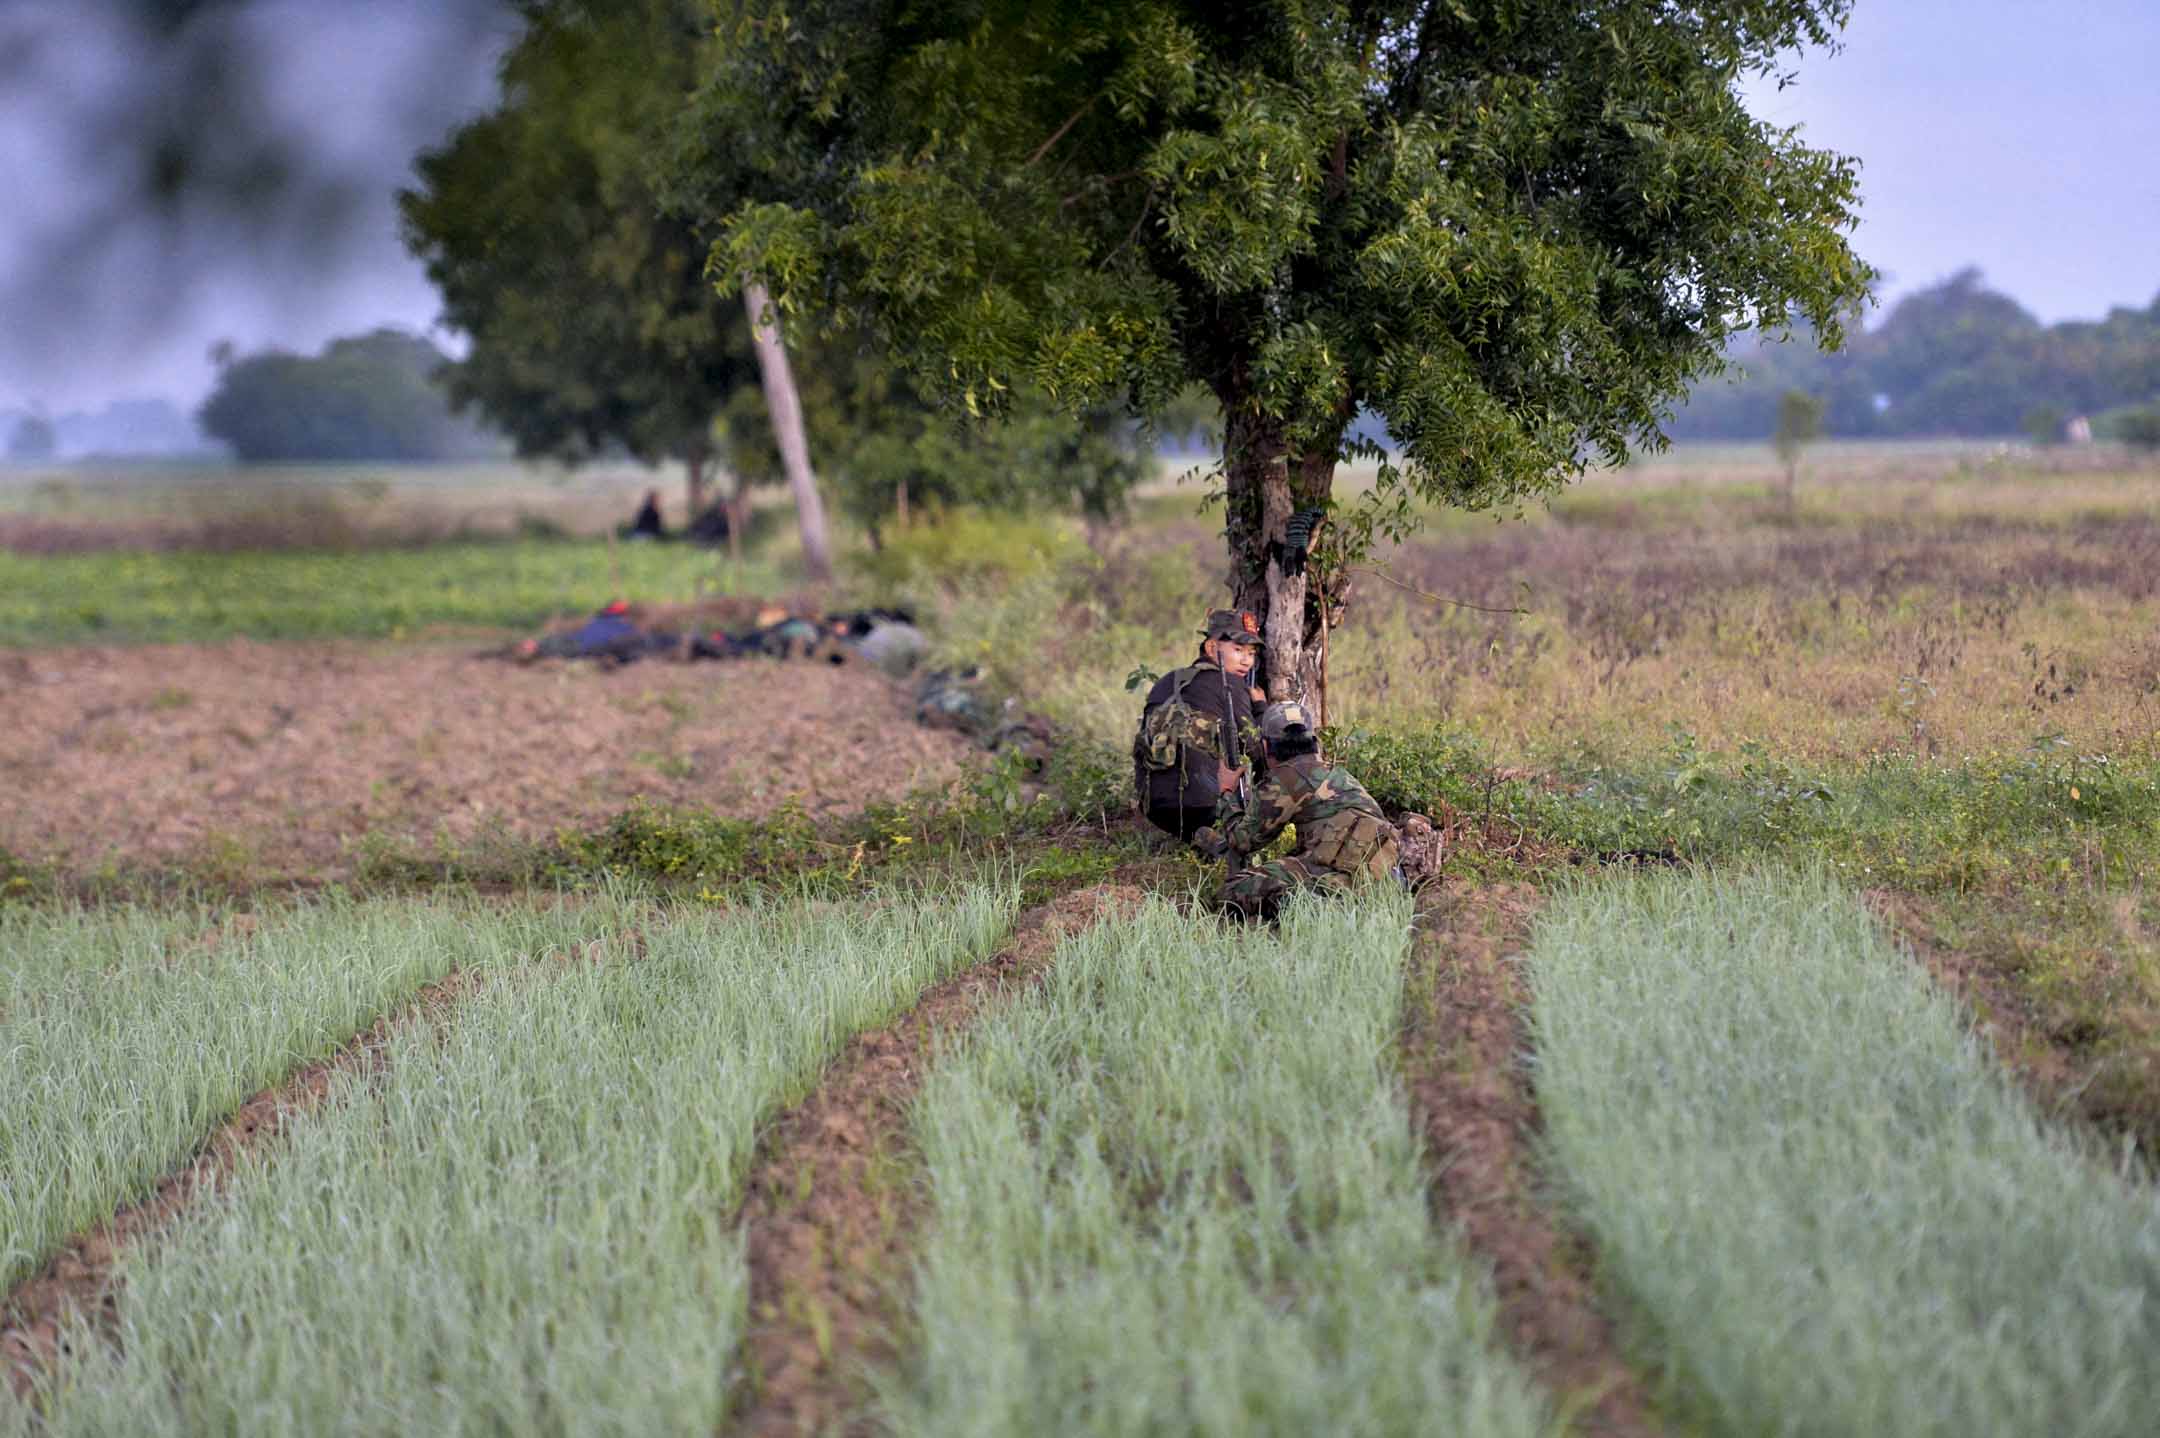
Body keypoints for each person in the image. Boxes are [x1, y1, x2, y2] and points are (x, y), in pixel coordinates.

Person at [1197, 701, 1400, 921]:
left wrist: (1226, 791)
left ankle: (1315, 909)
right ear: (1314, 742)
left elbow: (1242, 841)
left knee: (1237, 888)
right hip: (1379, 872)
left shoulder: (1285, 779)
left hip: (1340, 875)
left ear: (1266, 747)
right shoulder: (1338, 773)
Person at [1133, 609, 1267, 842]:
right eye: (1238, 650)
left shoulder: (1167, 681)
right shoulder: (1231, 684)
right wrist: (1261, 708)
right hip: (1208, 804)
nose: (1246, 660)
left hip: (1155, 806)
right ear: (1212, 648)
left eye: (1251, 653)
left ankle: (1200, 840)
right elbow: (1255, 747)